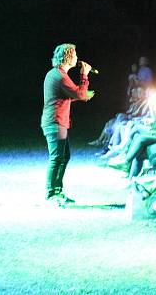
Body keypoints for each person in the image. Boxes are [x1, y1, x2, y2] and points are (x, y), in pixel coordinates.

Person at [40, 43, 94, 205]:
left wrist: (81, 94)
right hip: (55, 123)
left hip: (57, 122)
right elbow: (80, 94)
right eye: (75, 55)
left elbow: (72, 94)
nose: (77, 58)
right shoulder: (59, 76)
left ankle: (57, 191)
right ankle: (51, 194)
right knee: (57, 158)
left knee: (64, 156)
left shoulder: (56, 74)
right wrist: (84, 75)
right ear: (68, 57)